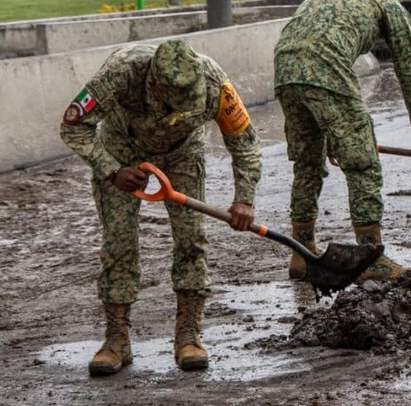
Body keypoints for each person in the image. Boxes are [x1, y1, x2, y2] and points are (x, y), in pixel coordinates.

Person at [60, 40, 262, 376]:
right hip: (121, 153)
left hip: (182, 155)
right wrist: (111, 169)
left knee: (191, 240)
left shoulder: (215, 84)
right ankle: (116, 339)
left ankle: (188, 335)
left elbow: (245, 143)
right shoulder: (121, 72)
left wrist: (245, 198)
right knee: (119, 243)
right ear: (154, 84)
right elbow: (73, 126)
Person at [274, 0, 411, 283]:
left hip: (285, 69)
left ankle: (301, 253)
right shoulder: (390, 6)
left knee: (307, 163)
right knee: (362, 163)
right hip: (325, 66)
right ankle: (371, 260)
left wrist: (330, 131)